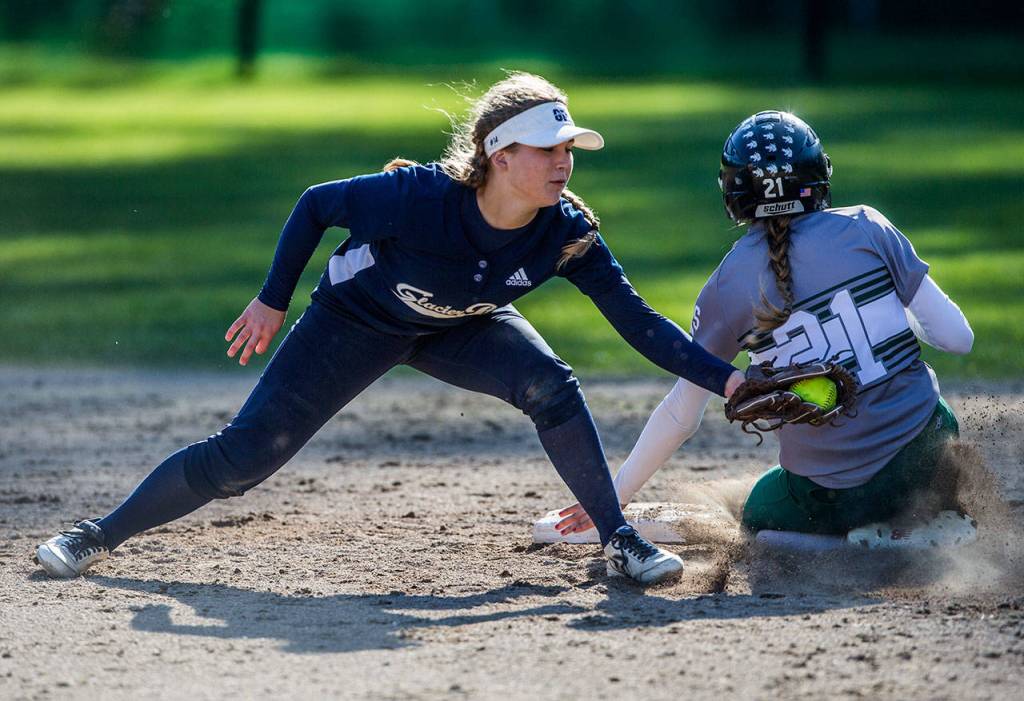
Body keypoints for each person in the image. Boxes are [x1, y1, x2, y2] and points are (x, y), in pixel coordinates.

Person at [36, 72, 745, 585]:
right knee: (244, 458)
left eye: (569, 150)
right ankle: (94, 534)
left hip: (460, 324)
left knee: (550, 383)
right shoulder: (419, 200)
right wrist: (272, 299)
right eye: (546, 149)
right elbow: (317, 205)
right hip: (357, 319)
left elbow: (642, 325)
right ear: (500, 157)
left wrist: (730, 379)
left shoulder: (563, 233)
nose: (564, 161)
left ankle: (619, 540)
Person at [556, 110, 974, 542]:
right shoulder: (867, 226)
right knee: (926, 426)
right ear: (819, 174)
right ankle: (924, 521)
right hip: (929, 456)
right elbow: (957, 339)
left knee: (756, 517)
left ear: (732, 192)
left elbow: (683, 412)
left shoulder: (726, 283)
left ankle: (854, 548)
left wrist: (615, 494)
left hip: (832, 496)